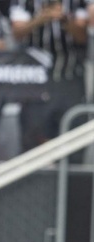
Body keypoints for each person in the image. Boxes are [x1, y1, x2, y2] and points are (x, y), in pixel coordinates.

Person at [10, 0, 89, 148]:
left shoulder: (75, 2)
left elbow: (83, 36)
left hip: (69, 76)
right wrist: (40, 19)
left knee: (72, 134)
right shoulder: (25, 2)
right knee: (33, 135)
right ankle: (35, 171)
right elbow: (17, 33)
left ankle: (70, 170)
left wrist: (64, 19)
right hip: (35, 79)